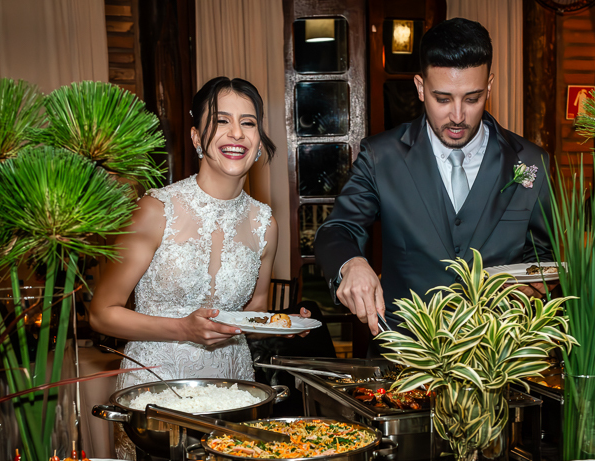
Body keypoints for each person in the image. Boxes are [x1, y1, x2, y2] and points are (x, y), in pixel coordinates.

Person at [315, 18, 553, 338]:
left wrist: (537, 286)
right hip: (403, 359)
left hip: (496, 359)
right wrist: (351, 263)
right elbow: (337, 229)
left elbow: (544, 256)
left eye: (472, 98)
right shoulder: (381, 156)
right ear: (420, 87)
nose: (457, 116)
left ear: (490, 86)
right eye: (443, 99)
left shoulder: (530, 161)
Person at [89, 76, 305, 387]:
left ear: (258, 140)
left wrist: (282, 324)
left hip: (235, 389)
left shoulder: (265, 224)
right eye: (221, 121)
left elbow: (254, 310)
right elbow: (101, 313)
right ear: (197, 137)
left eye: (248, 123)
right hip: (157, 392)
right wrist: (183, 329)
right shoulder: (155, 210)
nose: (236, 133)